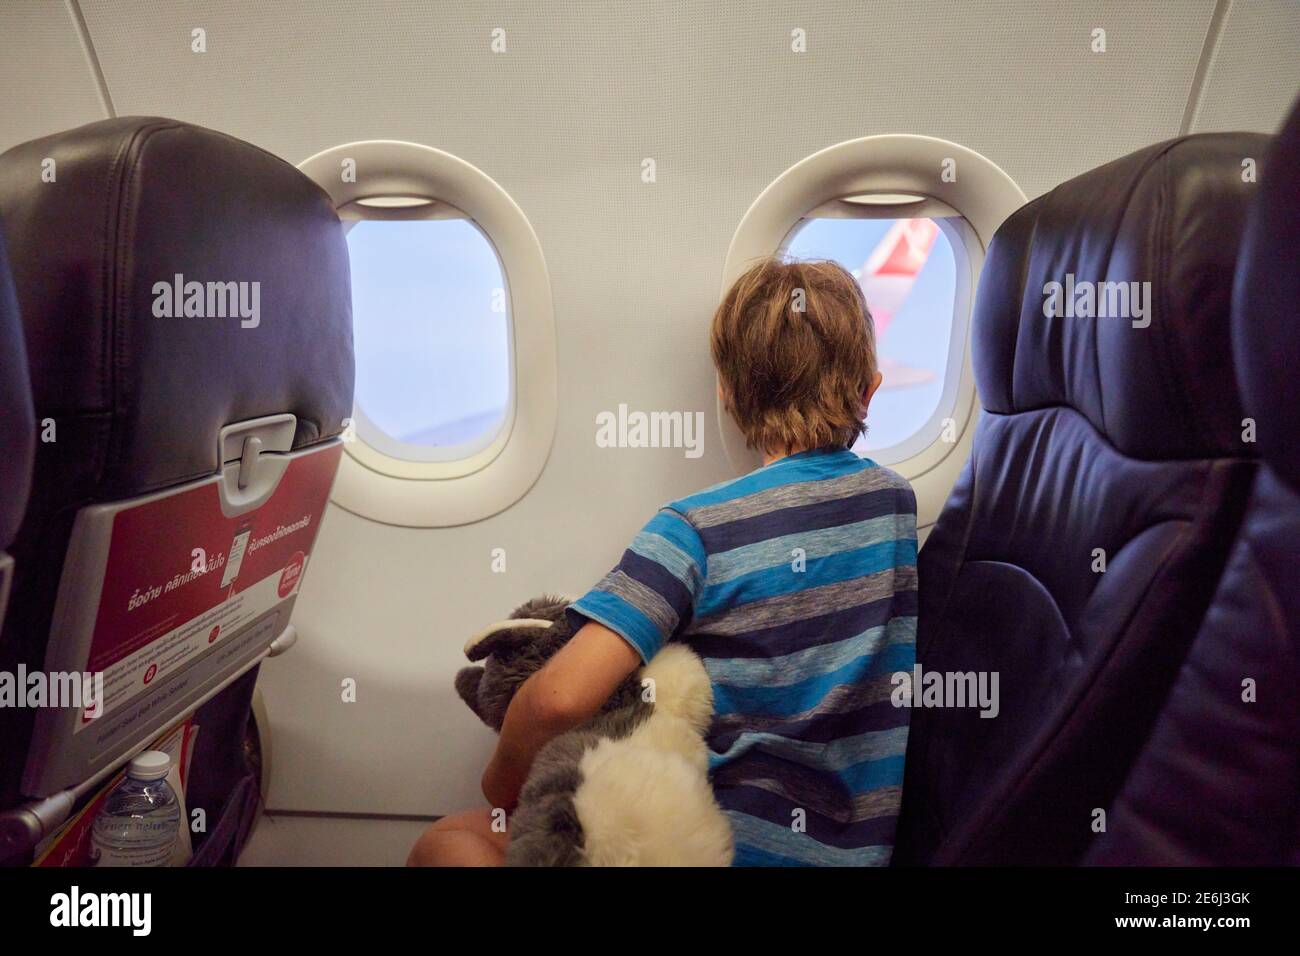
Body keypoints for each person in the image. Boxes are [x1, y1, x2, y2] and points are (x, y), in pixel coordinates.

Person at [409, 258, 918, 866]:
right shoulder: (895, 505)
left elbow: (559, 700)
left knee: (451, 840)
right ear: (870, 389)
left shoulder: (694, 530)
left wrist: (500, 786)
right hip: (857, 856)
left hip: (711, 850)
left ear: (727, 393)